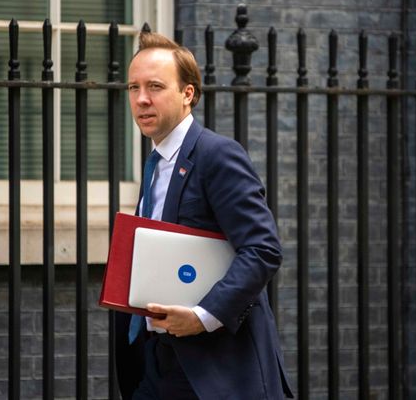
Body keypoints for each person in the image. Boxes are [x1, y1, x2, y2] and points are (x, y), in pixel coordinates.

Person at [115, 32, 293, 400]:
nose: (141, 99)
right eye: (134, 87)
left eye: (155, 86)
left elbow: (262, 249)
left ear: (188, 94)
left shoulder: (217, 155)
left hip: (214, 371)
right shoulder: (156, 164)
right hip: (157, 362)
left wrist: (201, 316)